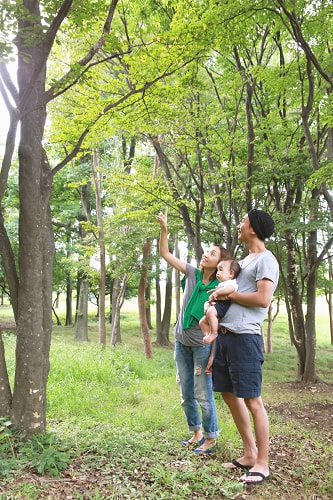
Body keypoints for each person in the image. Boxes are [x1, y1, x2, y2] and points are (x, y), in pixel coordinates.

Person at [212, 208, 279, 485]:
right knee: (228, 394)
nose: (239, 224)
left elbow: (263, 299)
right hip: (226, 336)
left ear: (253, 228)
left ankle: (262, 463)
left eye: (243, 221)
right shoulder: (244, 260)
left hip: (245, 338)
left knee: (253, 400)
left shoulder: (266, 260)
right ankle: (250, 453)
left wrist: (230, 293)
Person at [157, 207, 231, 453]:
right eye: (206, 251)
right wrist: (164, 230)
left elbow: (219, 326)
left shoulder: (223, 288)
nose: (205, 254)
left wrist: (212, 356)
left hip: (202, 347)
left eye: (212, 253)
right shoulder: (192, 273)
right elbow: (164, 253)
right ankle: (196, 433)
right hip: (181, 342)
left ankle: (211, 438)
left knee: (203, 393)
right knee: (185, 392)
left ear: (220, 262)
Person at [199, 259, 241, 345]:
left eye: (221, 270)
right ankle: (208, 335)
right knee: (202, 322)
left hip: (223, 305)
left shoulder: (231, 282)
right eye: (217, 270)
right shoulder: (222, 283)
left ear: (231, 273)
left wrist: (217, 293)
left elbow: (231, 289)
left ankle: (214, 333)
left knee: (210, 312)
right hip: (217, 305)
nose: (218, 272)